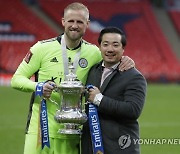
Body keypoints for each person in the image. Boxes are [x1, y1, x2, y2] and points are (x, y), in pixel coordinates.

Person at [11, 2, 135, 154]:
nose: (74, 26)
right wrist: (38, 87)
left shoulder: (94, 53)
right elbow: (16, 79)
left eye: (79, 22)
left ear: (87, 24)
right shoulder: (41, 48)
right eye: (71, 21)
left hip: (73, 132)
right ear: (63, 21)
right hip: (40, 131)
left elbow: (111, 60)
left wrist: (126, 60)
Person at [81, 27, 147, 154]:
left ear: (123, 49)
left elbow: (133, 110)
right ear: (99, 47)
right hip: (90, 146)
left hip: (119, 147)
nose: (110, 49)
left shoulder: (134, 77)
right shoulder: (92, 71)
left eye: (115, 45)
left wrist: (99, 99)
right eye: (105, 44)